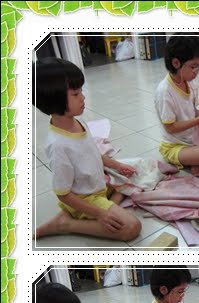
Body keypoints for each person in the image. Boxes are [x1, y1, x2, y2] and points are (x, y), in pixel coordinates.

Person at [33, 57, 141, 242]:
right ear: (54, 100)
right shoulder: (58, 146)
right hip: (84, 198)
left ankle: (94, 210)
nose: (83, 97)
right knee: (132, 228)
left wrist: (117, 165)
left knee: (133, 179)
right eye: (76, 94)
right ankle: (65, 224)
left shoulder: (78, 121)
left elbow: (93, 153)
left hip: (97, 186)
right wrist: (100, 213)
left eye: (81, 91)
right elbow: (63, 194)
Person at [155, 35, 199, 176]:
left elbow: (192, 111)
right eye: (193, 67)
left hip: (192, 138)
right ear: (176, 63)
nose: (197, 71)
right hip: (174, 146)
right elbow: (170, 127)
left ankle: (193, 159)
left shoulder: (190, 82)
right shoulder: (164, 92)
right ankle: (191, 160)